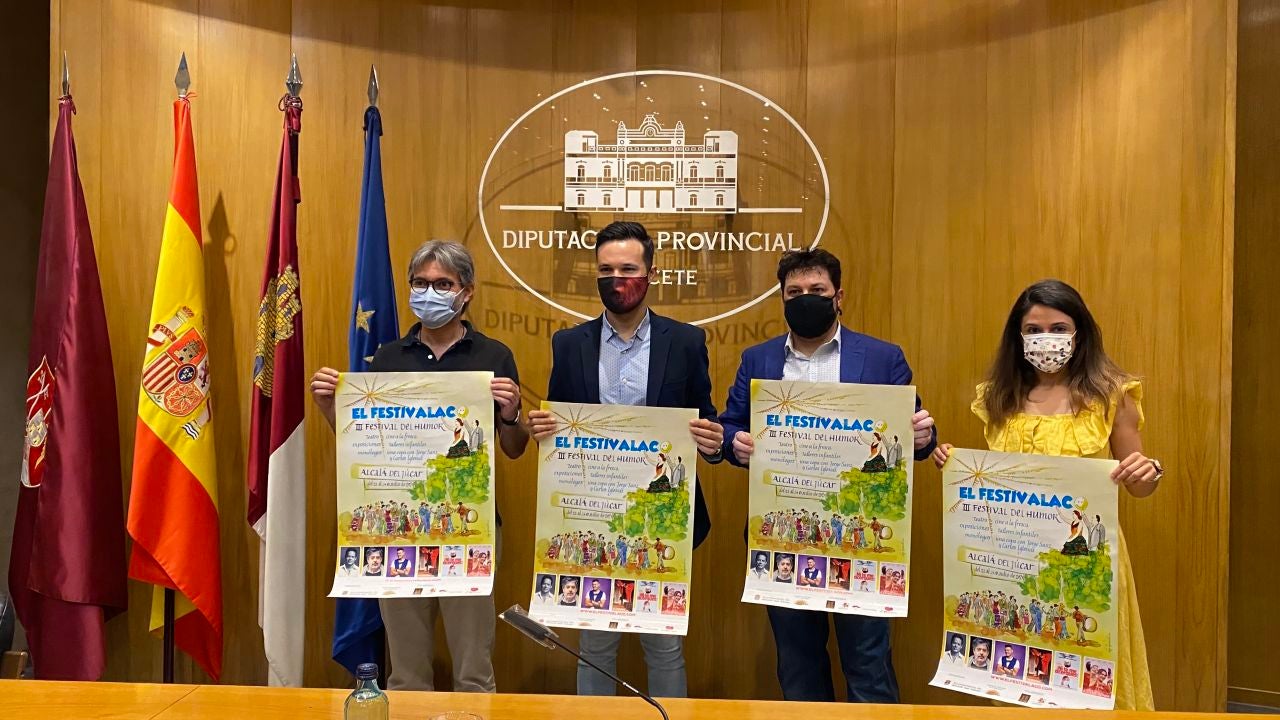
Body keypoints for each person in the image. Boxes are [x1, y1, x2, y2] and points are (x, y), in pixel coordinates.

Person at [719, 249, 937, 705]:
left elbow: (915, 436)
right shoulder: (758, 359)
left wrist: (922, 436)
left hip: (862, 537)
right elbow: (731, 424)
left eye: (816, 290)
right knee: (798, 664)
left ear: (839, 297)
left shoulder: (883, 358)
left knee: (868, 663)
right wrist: (734, 442)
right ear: (782, 299)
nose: (805, 298)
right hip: (783, 536)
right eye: (794, 292)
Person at [310, 240, 530, 693]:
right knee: (406, 674)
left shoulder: (494, 356)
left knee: (473, 670)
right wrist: (332, 408)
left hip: (470, 529)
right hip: (400, 530)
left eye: (443, 284)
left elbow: (514, 449)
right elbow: (365, 445)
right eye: (421, 283)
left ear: (467, 292)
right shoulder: (388, 357)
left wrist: (511, 415)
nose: (430, 292)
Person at [932, 279, 1160, 711]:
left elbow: (1140, 486)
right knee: (1021, 677)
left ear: (1080, 332)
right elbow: (997, 483)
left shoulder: (1111, 396)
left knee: (1088, 679)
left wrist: (1148, 471)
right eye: (1034, 330)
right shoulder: (999, 397)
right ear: (1018, 337)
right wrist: (955, 466)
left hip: (1085, 565)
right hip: (1016, 564)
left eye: (1059, 329)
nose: (1046, 339)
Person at [528, 221, 724, 699]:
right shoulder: (569, 344)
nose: (617, 279)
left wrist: (712, 439)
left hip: (663, 519)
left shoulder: (686, 342)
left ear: (651, 273)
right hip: (591, 516)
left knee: (665, 646)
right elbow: (559, 434)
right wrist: (543, 432)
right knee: (594, 646)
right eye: (606, 270)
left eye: (628, 269)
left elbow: (707, 421)